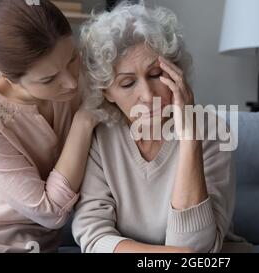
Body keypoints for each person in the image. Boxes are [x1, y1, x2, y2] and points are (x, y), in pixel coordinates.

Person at [72, 1, 248, 253]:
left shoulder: (212, 131)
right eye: (127, 83)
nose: (147, 94)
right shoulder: (100, 138)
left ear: (176, 72)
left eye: (155, 75)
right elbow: (93, 235)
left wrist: (189, 139)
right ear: (107, 92)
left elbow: (196, 248)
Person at [0, 0, 104, 252]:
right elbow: (50, 212)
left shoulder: (74, 81)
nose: (70, 82)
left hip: (50, 238)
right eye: (49, 79)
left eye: (71, 58)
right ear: (5, 73)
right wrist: (84, 120)